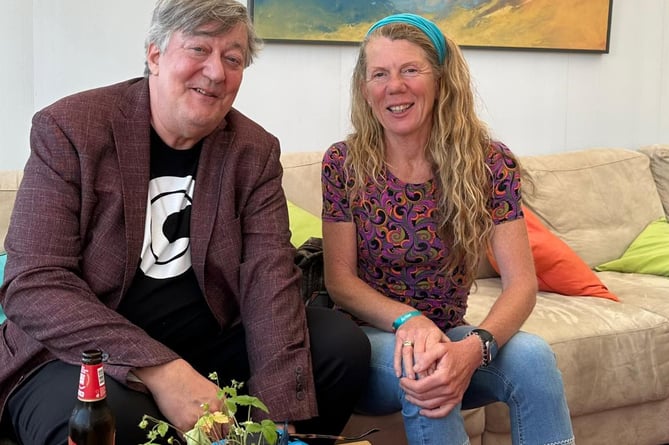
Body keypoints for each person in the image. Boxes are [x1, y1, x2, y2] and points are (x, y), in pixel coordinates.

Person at [0, 1, 370, 444]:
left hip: (203, 342)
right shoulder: (71, 129)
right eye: (199, 49)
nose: (215, 72)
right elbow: (35, 282)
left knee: (337, 347)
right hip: (77, 352)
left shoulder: (253, 151)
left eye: (232, 59)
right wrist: (161, 369)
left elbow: (269, 278)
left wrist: (281, 418)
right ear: (155, 55)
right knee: (115, 420)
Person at [321, 13, 574, 445]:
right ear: (365, 89)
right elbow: (339, 281)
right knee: (425, 360)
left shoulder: (490, 163)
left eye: (410, 70)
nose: (393, 86)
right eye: (379, 74)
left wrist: (475, 348)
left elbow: (521, 285)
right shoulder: (344, 163)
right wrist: (409, 321)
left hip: (451, 335)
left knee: (533, 356)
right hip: (369, 345)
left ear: (440, 80)